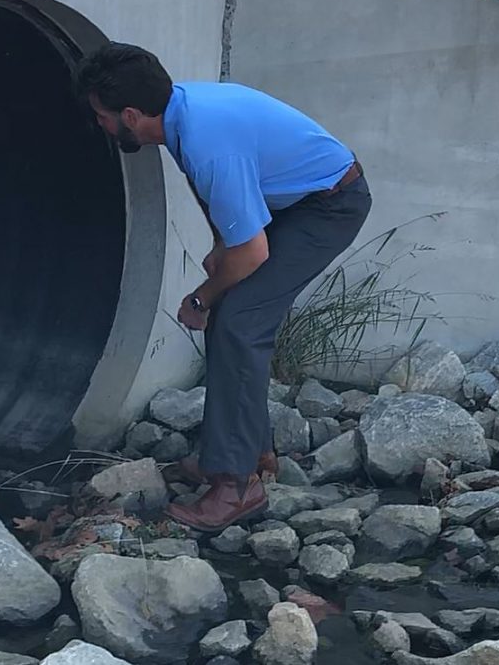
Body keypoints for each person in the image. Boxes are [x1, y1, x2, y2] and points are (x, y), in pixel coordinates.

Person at [73, 42, 372, 531]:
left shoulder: (208, 142)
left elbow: (252, 252)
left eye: (102, 117)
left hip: (328, 206)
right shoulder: (181, 112)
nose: (100, 126)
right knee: (236, 314)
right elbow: (212, 196)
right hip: (297, 198)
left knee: (237, 321)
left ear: (130, 116)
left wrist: (201, 297)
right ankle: (251, 452)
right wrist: (219, 244)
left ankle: (235, 486)